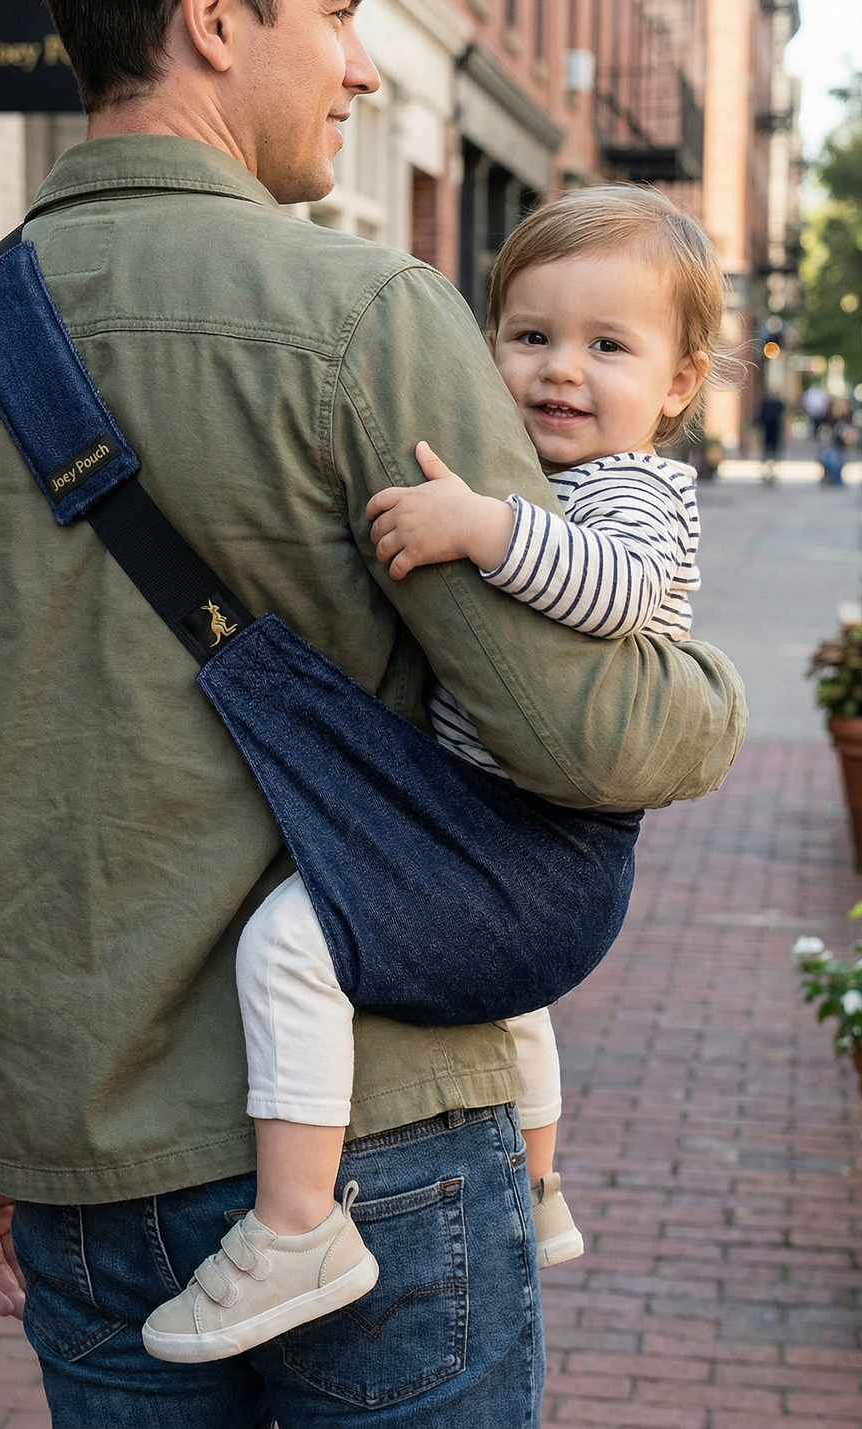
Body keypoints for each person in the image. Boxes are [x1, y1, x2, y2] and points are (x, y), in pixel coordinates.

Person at [0, 0, 747, 1425]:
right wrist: (714, 697)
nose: (365, 64)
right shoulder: (371, 317)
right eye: (333, 11)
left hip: (77, 1145)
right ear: (208, 14)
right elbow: (575, 735)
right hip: (386, 1135)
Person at [142, 186, 722, 1363]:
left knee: (292, 942)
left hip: (526, 837)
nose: (561, 369)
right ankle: (541, 1178)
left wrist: (479, 525)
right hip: (508, 830)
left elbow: (608, 587)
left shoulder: (637, 490)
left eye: (607, 346)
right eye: (529, 336)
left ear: (677, 386)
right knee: (502, 990)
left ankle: (297, 1223)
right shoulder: (550, 469)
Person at [756, 392, 785, 485]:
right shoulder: (777, 406)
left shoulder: (766, 406)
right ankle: (770, 473)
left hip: (769, 434)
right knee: (772, 455)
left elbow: (759, 420)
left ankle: (768, 473)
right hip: (773, 434)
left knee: (768, 455)